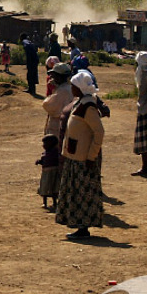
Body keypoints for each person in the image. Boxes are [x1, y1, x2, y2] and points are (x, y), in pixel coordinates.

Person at [55, 71, 105, 240]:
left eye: (74, 86)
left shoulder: (88, 107)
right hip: (75, 155)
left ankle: (83, 229)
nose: (71, 88)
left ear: (80, 88)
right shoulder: (81, 103)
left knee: (83, 193)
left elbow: (99, 132)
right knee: (76, 192)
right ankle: (79, 226)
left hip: (84, 158)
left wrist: (92, 156)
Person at [43, 63, 74, 138]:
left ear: (60, 77)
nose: (52, 77)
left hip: (58, 127)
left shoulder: (63, 91)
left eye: (54, 75)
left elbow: (48, 105)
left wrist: (53, 90)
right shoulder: (69, 87)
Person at [36, 134, 61, 211]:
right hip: (46, 173)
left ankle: (54, 203)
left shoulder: (55, 153)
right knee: (45, 187)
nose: (43, 145)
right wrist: (39, 162)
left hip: (53, 173)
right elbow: (43, 161)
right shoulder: (45, 153)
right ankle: (45, 202)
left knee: (53, 188)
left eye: (45, 144)